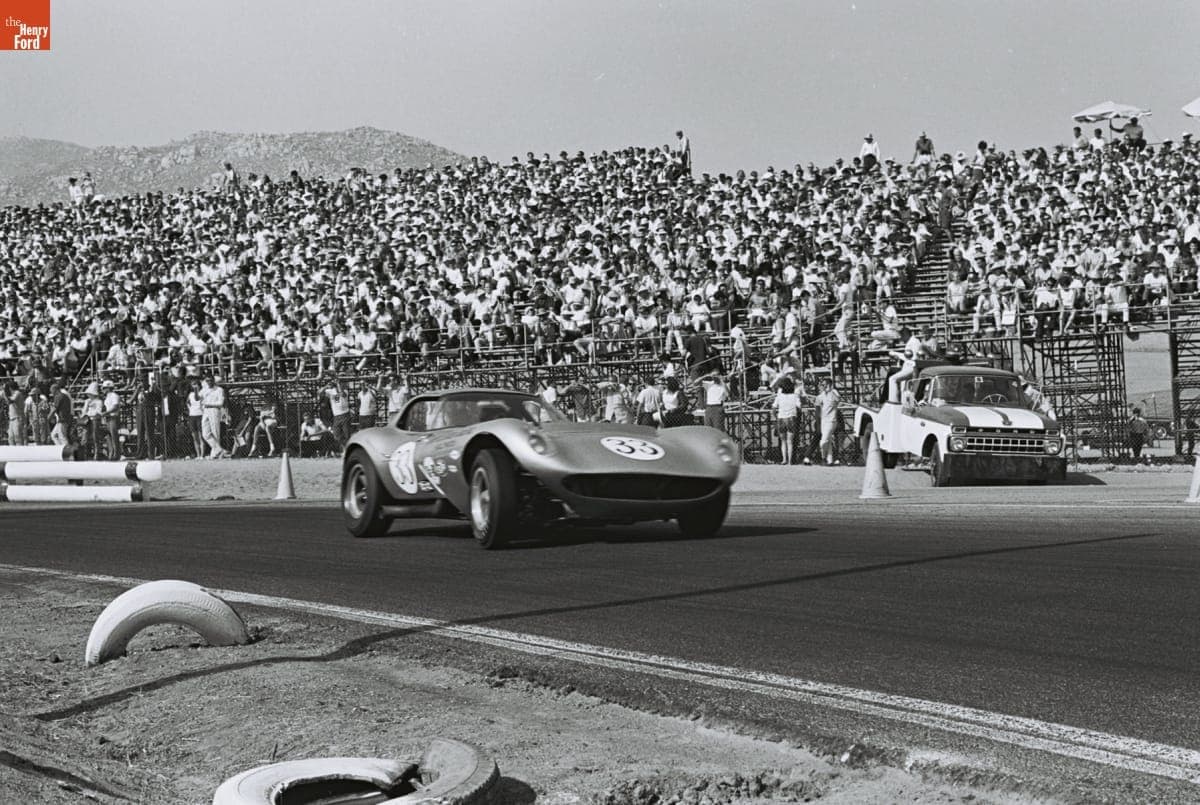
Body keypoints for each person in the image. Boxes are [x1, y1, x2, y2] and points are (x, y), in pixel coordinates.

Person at [773, 376, 799, 465]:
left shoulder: (779, 396)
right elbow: (799, 407)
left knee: (783, 441)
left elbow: (774, 407)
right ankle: (790, 461)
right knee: (790, 441)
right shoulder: (795, 396)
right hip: (791, 417)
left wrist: (775, 416)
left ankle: (784, 459)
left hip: (781, 417)